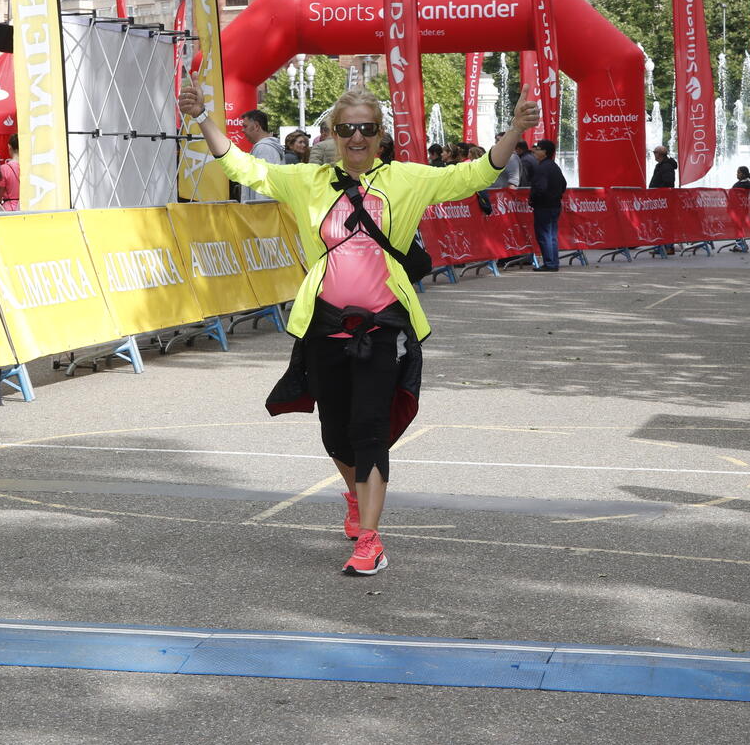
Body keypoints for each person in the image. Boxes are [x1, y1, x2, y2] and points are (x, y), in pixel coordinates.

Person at [177, 75, 540, 576]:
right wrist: (200, 118)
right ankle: (355, 496)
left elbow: (476, 175)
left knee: (369, 431)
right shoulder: (305, 180)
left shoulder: (406, 180)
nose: (356, 138)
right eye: (347, 129)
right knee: (335, 435)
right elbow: (242, 165)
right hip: (324, 326)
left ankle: (370, 540)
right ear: (332, 133)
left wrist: (515, 130)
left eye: (367, 129)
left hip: (384, 327)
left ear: (380, 135)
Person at [528, 139, 567, 272]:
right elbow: (563, 184)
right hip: (554, 204)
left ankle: (550, 263)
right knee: (551, 235)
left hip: (544, 205)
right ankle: (552, 262)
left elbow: (540, 188)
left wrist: (533, 198)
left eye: (538, 149)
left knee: (545, 235)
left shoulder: (542, 168)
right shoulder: (553, 166)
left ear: (544, 152)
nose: (534, 151)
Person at [239, 109, 284, 201]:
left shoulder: (264, 149)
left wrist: (260, 211)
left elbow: (263, 186)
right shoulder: (264, 147)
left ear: (256, 126)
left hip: (262, 211)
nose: (242, 130)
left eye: (245, 126)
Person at [0, 134, 21, 211]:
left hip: (10, 210)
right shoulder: (32, 167)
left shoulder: (4, 169)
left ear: (9, 147)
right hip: (29, 207)